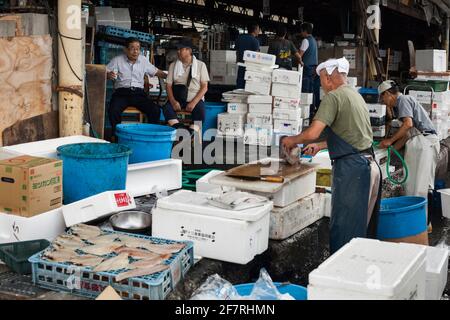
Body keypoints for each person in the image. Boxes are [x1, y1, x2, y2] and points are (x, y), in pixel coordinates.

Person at [281, 57, 381, 254]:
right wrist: (320, 146)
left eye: (321, 81)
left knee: (345, 231)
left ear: (328, 78)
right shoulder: (354, 94)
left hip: (353, 171)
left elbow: (312, 133)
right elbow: (353, 135)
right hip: (369, 166)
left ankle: (340, 280)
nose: (322, 86)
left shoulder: (333, 97)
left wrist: (291, 140)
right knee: (362, 230)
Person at [378, 80, 440, 201]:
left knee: (420, 187)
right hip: (419, 141)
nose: (383, 102)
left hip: (426, 142)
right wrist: (390, 152)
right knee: (413, 185)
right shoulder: (398, 106)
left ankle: (422, 217)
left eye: (382, 98)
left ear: (387, 94)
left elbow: (408, 124)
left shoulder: (403, 100)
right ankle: (420, 217)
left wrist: (390, 141)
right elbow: (407, 135)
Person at [106, 37, 167, 138]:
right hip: (121, 93)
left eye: (138, 48)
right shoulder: (117, 60)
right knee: (113, 110)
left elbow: (156, 71)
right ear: (125, 49)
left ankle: (151, 135)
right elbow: (104, 71)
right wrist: (108, 75)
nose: (135, 51)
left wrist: (169, 76)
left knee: (155, 110)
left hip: (139, 94)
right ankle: (117, 136)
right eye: (132, 48)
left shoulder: (143, 60)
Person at [163, 38, 210, 136]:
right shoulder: (173, 65)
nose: (178, 51)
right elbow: (168, 85)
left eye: (181, 49)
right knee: (167, 109)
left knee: (201, 112)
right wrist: (173, 102)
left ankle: (190, 133)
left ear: (189, 50)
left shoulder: (201, 65)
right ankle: (181, 130)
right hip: (177, 98)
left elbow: (204, 87)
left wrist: (193, 103)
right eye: (178, 49)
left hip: (194, 98)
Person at [299, 22, 320, 113]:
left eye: (301, 31)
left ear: (304, 31)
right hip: (313, 68)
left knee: (305, 91)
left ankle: (306, 112)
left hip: (306, 68)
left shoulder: (305, 40)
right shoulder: (314, 41)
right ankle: (312, 110)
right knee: (311, 91)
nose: (301, 33)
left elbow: (300, 55)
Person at [235, 23, 261, 89]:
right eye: (258, 29)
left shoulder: (240, 38)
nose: (259, 31)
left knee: (240, 85)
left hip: (241, 65)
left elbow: (237, 52)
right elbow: (257, 56)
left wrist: (238, 61)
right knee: (249, 86)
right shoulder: (255, 41)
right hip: (250, 68)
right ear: (254, 30)